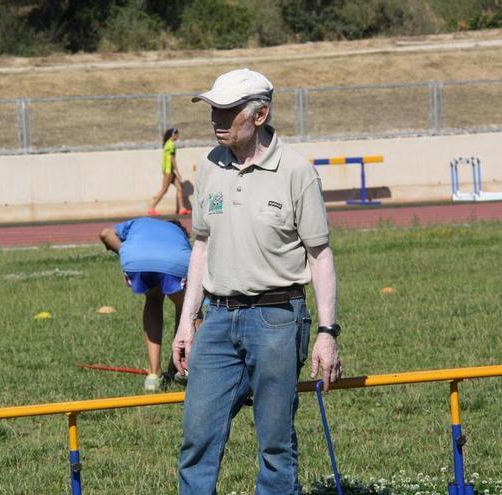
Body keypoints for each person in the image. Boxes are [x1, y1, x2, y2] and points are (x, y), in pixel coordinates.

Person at [172, 68, 343, 494]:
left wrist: (326, 333)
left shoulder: (297, 172)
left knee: (275, 445)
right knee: (197, 437)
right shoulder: (209, 165)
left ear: (260, 114)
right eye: (214, 110)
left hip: (278, 320)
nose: (216, 120)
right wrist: (186, 322)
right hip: (217, 320)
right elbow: (202, 247)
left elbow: (319, 255)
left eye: (228, 112)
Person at [100, 217, 192, 392]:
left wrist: (126, 252)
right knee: (187, 309)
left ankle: (153, 376)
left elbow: (105, 234)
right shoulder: (180, 236)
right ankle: (184, 368)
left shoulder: (138, 222)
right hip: (176, 261)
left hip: (136, 260)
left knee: (153, 299)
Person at [147, 128, 191, 216]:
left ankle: (181, 209)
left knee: (179, 188)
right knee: (164, 190)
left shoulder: (167, 144)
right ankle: (151, 208)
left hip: (169, 171)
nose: (178, 136)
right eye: (177, 134)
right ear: (173, 135)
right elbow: (172, 159)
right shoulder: (171, 145)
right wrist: (177, 172)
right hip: (169, 171)